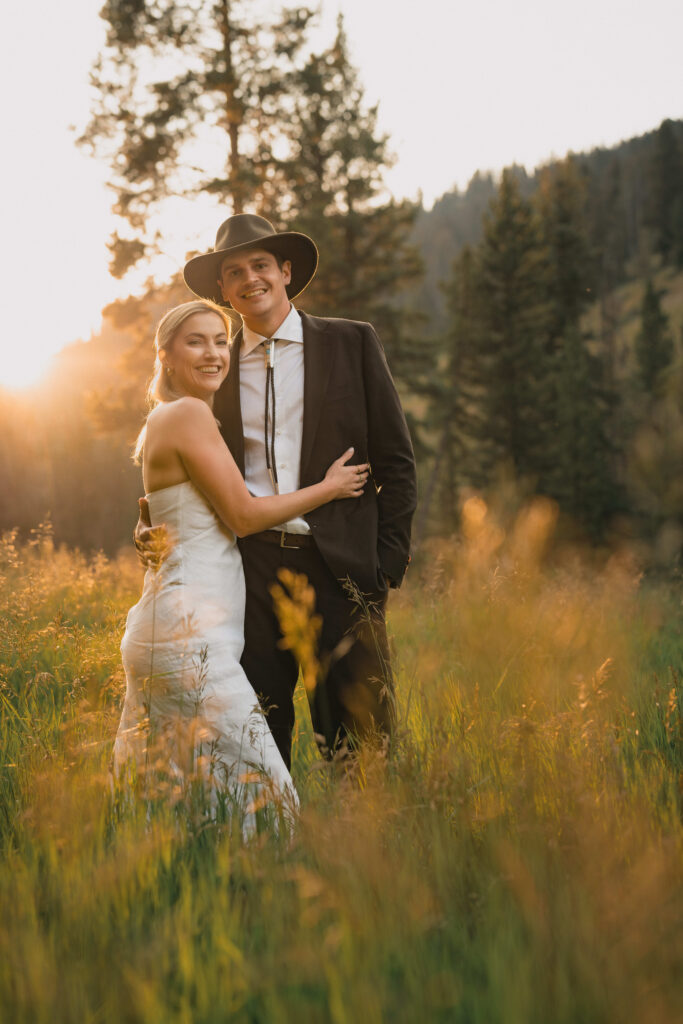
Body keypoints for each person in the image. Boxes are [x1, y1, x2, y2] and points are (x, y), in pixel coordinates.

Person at [140, 213, 417, 770]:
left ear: (286, 271)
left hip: (342, 570)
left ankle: (366, 847)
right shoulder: (212, 369)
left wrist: (384, 567)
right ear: (223, 288)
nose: (250, 279)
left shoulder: (351, 342)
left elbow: (397, 461)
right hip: (251, 570)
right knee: (259, 729)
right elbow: (178, 467)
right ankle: (270, 842)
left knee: (362, 735)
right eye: (234, 271)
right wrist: (147, 524)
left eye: (261, 265)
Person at [114, 299, 369, 825]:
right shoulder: (186, 413)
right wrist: (328, 488)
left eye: (218, 340)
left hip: (183, 625)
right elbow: (246, 516)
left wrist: (146, 530)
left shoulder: (173, 417)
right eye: (195, 341)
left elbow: (164, 515)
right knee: (266, 793)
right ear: (164, 354)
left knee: (189, 789)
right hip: (188, 635)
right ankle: (268, 887)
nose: (213, 353)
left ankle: (201, 883)